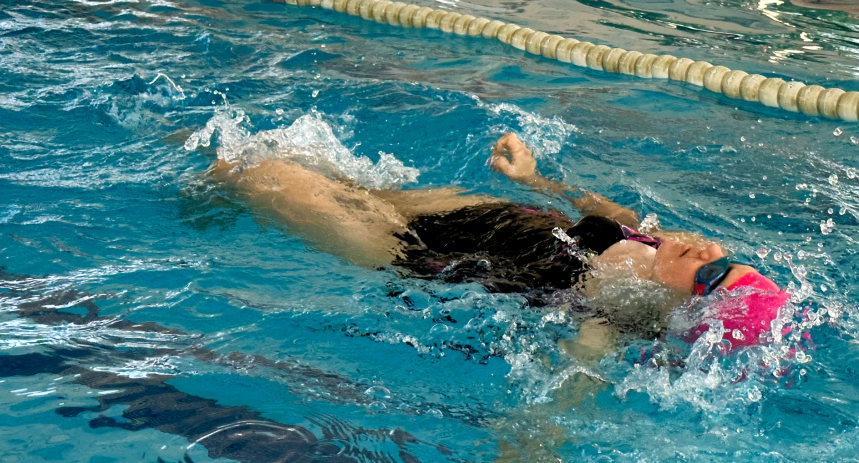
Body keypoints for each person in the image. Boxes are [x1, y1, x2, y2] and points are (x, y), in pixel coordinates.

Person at [209, 132, 789, 349]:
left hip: (417, 253)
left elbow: (553, 413)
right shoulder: (670, 247)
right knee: (325, 168)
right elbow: (610, 212)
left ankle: (191, 180)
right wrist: (534, 179)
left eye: (714, 275)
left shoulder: (607, 321)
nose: (712, 253)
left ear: (687, 312)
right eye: (729, 260)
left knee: (249, 170)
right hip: (488, 212)